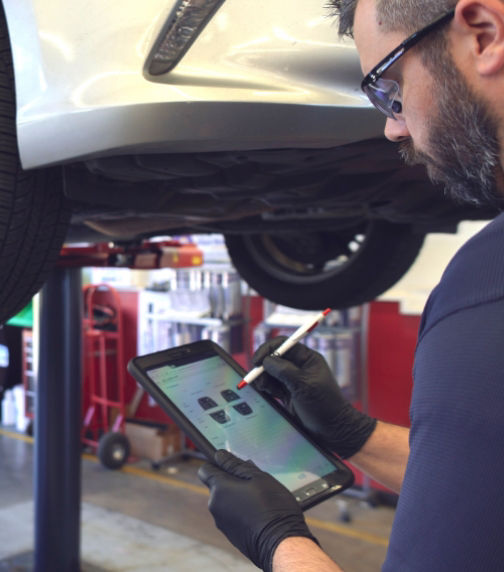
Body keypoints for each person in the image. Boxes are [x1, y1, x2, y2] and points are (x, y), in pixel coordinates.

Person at [198, 0, 504, 570]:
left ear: (483, 35)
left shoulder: (487, 292)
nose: (392, 127)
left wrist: (278, 542)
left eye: (389, 87)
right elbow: (479, 477)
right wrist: (352, 432)